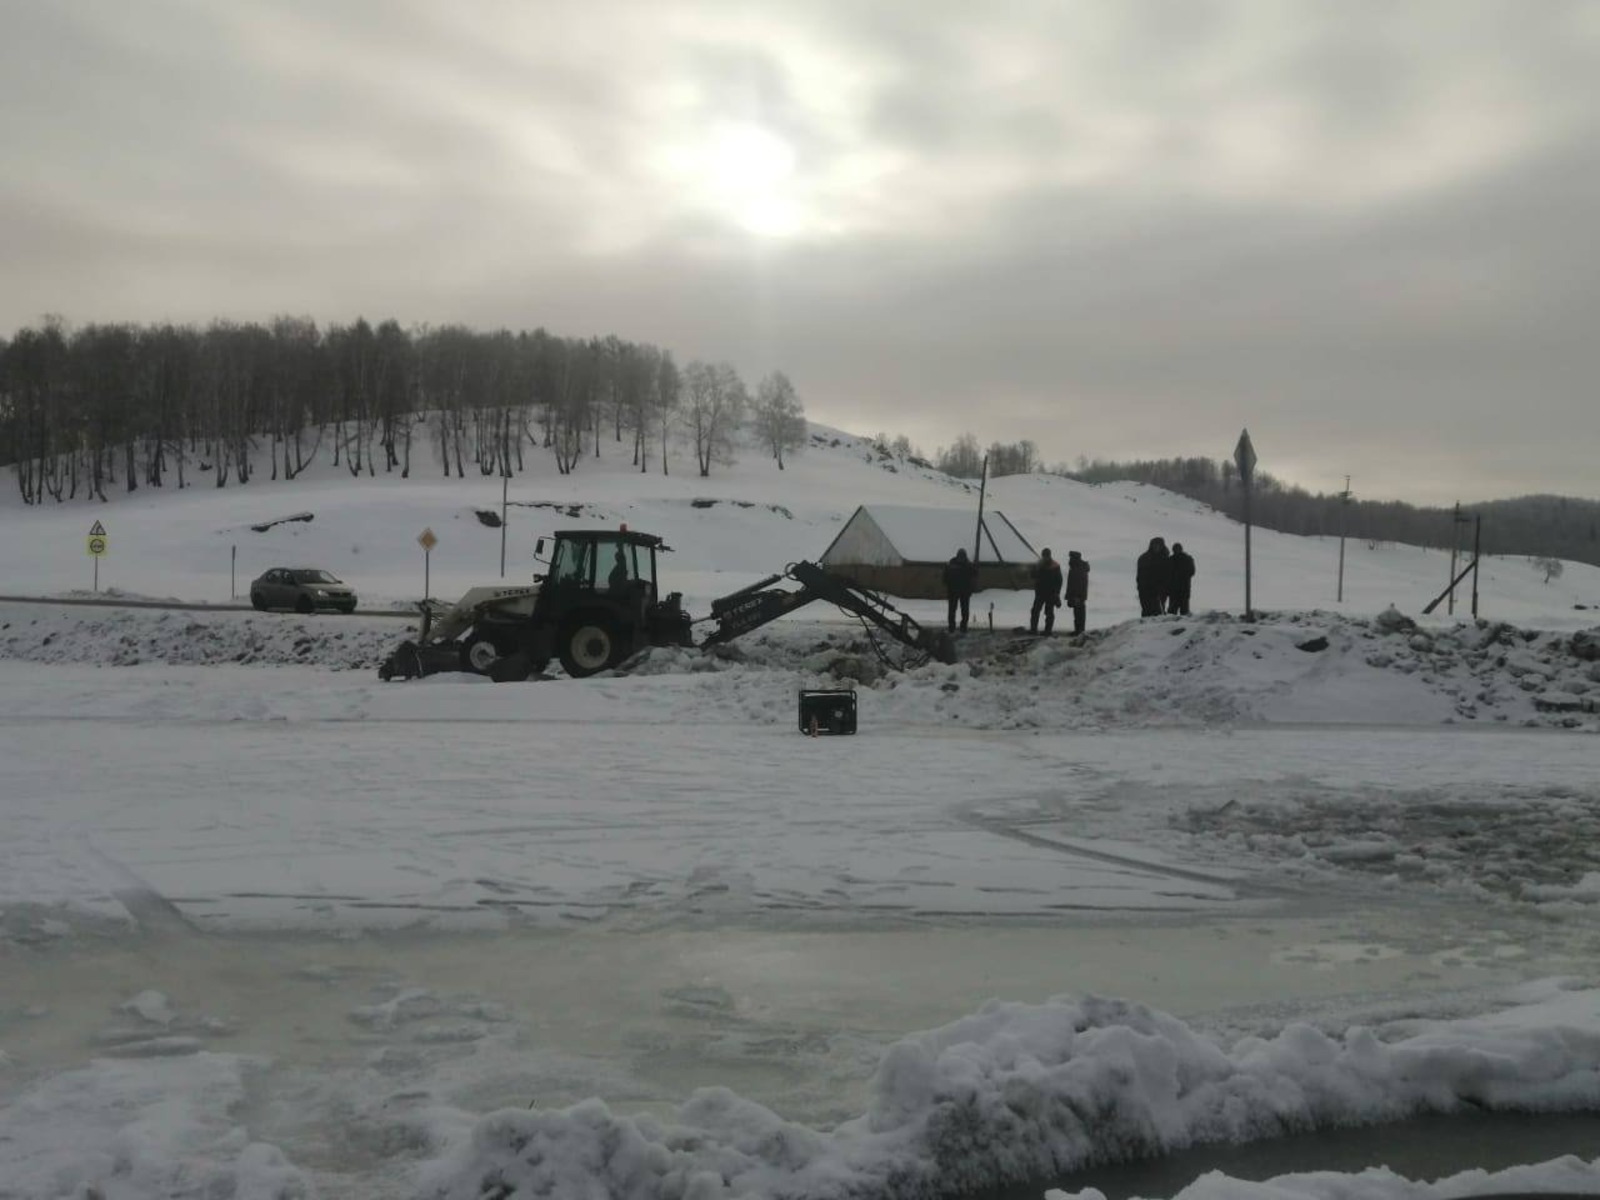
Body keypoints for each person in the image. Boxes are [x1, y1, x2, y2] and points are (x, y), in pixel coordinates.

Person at [942, 547, 978, 633]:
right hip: (964, 592)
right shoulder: (968, 565)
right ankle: (963, 628)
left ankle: (952, 628)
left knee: (952, 611)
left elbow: (944, 579)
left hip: (953, 591)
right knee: (964, 611)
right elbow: (975, 574)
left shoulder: (951, 565)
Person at [1029, 548, 1063, 635]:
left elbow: (1059, 581)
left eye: (1046, 556)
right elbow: (1032, 575)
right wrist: (1036, 568)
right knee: (1035, 611)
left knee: (1049, 613)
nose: (1045, 557)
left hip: (1051, 593)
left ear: (1049, 555)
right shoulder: (1039, 564)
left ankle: (1048, 631)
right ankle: (1033, 629)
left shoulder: (1055, 566)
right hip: (1040, 592)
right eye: (1044, 556)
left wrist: (1056, 593)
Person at [1136, 536, 1169, 617]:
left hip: (1161, 590)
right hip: (1145, 590)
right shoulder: (1144, 558)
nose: (1157, 547)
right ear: (1151, 545)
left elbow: (1169, 574)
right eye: (1155, 545)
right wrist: (1142, 586)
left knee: (1159, 612)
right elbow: (1140, 575)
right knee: (1147, 611)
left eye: (1159, 545)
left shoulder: (1166, 558)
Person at [1065, 550, 1090, 635]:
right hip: (1078, 595)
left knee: (1079, 613)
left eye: (1071, 557)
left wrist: (1076, 596)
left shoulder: (1078, 568)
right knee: (1077, 613)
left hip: (1078, 595)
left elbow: (1077, 583)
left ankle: (1079, 631)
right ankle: (1078, 630)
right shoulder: (1077, 567)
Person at [1167, 543, 1195, 615]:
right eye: (1175, 549)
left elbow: (1191, 571)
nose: (1177, 550)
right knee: (1172, 612)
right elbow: (1166, 574)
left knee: (1184, 611)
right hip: (1173, 590)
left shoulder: (1187, 559)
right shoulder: (1170, 560)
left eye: (1178, 549)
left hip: (1184, 589)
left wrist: (1181, 574)